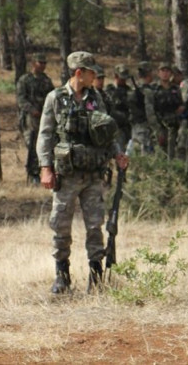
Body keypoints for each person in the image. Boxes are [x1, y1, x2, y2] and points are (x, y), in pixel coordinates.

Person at [36, 51, 129, 294]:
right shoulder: (55, 98)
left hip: (94, 174)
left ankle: (96, 277)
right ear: (79, 73)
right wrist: (46, 168)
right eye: (91, 72)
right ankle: (62, 275)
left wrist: (118, 153)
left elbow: (108, 131)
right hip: (67, 175)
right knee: (61, 226)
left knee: (95, 226)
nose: (95, 75)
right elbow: (45, 135)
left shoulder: (97, 98)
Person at [16, 53, 54, 185]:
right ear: (33, 63)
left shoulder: (47, 81)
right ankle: (32, 174)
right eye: (40, 62)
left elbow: (52, 97)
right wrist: (33, 111)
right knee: (32, 145)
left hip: (44, 118)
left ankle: (41, 171)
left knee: (44, 145)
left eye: (44, 63)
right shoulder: (25, 80)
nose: (43, 65)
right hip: (30, 119)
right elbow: (21, 99)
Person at [145, 61, 184, 158]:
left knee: (172, 156)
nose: (165, 73)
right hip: (159, 127)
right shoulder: (153, 89)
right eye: (163, 71)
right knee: (159, 157)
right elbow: (150, 112)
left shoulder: (176, 89)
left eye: (167, 71)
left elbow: (181, 105)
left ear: (171, 73)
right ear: (158, 73)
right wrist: (157, 131)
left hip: (174, 128)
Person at [126, 60, 155, 155]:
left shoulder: (133, 89)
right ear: (149, 73)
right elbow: (150, 112)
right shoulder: (147, 91)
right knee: (144, 155)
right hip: (143, 126)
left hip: (134, 125)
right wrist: (156, 128)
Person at [104, 64, 132, 151]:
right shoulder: (109, 90)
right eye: (121, 78)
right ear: (116, 76)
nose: (124, 81)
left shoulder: (128, 90)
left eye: (125, 79)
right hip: (115, 127)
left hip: (127, 126)